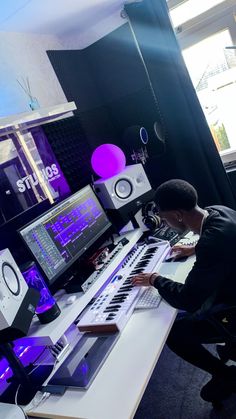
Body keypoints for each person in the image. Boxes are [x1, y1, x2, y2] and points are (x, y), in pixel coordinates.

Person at [132, 179, 236, 403]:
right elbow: (222, 243)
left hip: (232, 308)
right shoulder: (218, 211)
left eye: (165, 217)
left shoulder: (211, 242)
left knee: (175, 333)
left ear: (178, 215)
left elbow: (188, 300)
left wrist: (155, 279)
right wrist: (193, 249)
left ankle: (226, 376)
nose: (165, 223)